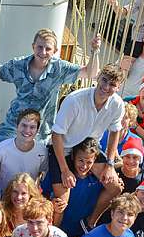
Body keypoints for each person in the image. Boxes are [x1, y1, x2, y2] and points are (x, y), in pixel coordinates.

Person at [0, 28, 102, 145]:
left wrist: (94, 51)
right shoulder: (18, 65)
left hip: (40, 130)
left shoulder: (59, 68)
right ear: (33, 47)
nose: (43, 52)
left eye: (48, 49)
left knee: (35, 166)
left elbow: (90, 72)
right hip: (14, 124)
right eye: (39, 47)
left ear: (55, 51)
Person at [50, 65, 125, 225]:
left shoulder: (117, 104)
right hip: (64, 149)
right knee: (61, 203)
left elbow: (115, 131)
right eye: (104, 80)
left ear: (118, 87)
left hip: (89, 148)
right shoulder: (74, 100)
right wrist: (64, 170)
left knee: (115, 188)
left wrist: (110, 164)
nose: (106, 87)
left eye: (112, 84)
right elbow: (56, 135)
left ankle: (90, 223)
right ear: (97, 78)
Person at [42, 138, 105, 237]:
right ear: (73, 157)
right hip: (58, 232)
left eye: (89, 162)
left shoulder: (97, 179)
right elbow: (42, 197)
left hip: (81, 234)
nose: (84, 166)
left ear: (95, 161)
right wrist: (51, 204)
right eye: (81, 160)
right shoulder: (59, 178)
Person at [0, 109, 48, 198]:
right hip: (3, 201)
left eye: (32, 127)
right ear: (17, 126)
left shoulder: (42, 151)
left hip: (27, 201)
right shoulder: (0, 150)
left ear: (37, 130)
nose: (27, 130)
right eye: (24, 125)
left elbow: (41, 173)